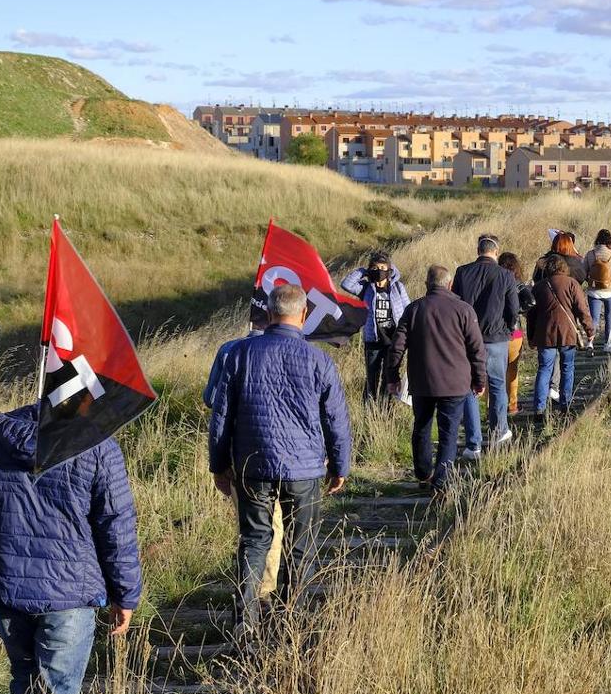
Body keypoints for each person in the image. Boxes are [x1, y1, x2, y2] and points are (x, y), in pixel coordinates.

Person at [0, 376, 143, 694]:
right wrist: (125, 594)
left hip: (7, 586)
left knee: (23, 683)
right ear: (86, 399)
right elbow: (116, 525)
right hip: (68, 594)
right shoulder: (98, 444)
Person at [208, 284, 351, 632]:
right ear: (302, 315)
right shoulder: (319, 359)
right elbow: (335, 418)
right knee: (299, 544)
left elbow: (221, 415)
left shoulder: (239, 354)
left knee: (254, 541)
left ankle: (245, 619)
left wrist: (219, 464)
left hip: (252, 464)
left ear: (269, 313)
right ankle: (291, 616)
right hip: (304, 468)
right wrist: (340, 464)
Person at [385, 265, 486, 492]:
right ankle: (441, 482)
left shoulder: (413, 310)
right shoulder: (464, 310)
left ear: (426, 284)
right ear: (450, 285)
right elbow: (477, 349)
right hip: (455, 383)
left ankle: (423, 473)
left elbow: (397, 347)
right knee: (449, 432)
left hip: (422, 383)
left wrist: (392, 377)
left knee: (421, 426)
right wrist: (479, 379)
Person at [204, 329, 282, 608]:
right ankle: (265, 591)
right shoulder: (291, 347)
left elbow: (211, 399)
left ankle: (254, 590)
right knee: (275, 524)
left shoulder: (229, 349)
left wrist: (219, 461)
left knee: (250, 528)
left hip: (241, 453)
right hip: (285, 453)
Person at [452, 235, 520, 452]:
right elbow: (513, 309)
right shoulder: (506, 275)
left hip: (468, 339)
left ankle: (474, 442)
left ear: (478, 249)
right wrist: (508, 330)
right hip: (497, 338)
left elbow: (455, 305)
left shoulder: (462, 272)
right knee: (497, 385)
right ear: (496, 252)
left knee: (470, 388)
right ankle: (499, 430)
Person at [340, 251, 411, 403]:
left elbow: (408, 310)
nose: (379, 271)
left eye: (383, 267)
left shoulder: (398, 287)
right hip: (373, 341)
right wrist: (364, 271)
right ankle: (369, 410)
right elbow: (346, 284)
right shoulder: (366, 289)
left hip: (393, 341)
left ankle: (384, 411)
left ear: (389, 270)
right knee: (371, 378)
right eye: (375, 268)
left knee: (388, 379)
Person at [527, 256, 593, 414]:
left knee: (544, 369)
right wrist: (589, 330)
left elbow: (531, 315)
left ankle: (539, 408)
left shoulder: (539, 287)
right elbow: (582, 310)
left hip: (545, 334)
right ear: (564, 268)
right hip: (567, 333)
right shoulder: (572, 284)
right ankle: (565, 404)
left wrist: (531, 337)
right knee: (567, 368)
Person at [498, 252, 534, 414]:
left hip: (496, 332)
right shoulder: (517, 283)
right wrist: (518, 311)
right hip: (515, 332)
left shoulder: (494, 282)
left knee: (494, 371)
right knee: (512, 369)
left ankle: (494, 406)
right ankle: (512, 405)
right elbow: (531, 301)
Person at [583, 229, 611, 353]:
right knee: (608, 317)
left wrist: (591, 281)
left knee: (594, 319)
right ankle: (607, 344)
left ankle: (590, 343)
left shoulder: (590, 254)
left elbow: (584, 271)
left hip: (594, 291)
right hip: (610, 291)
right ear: (609, 240)